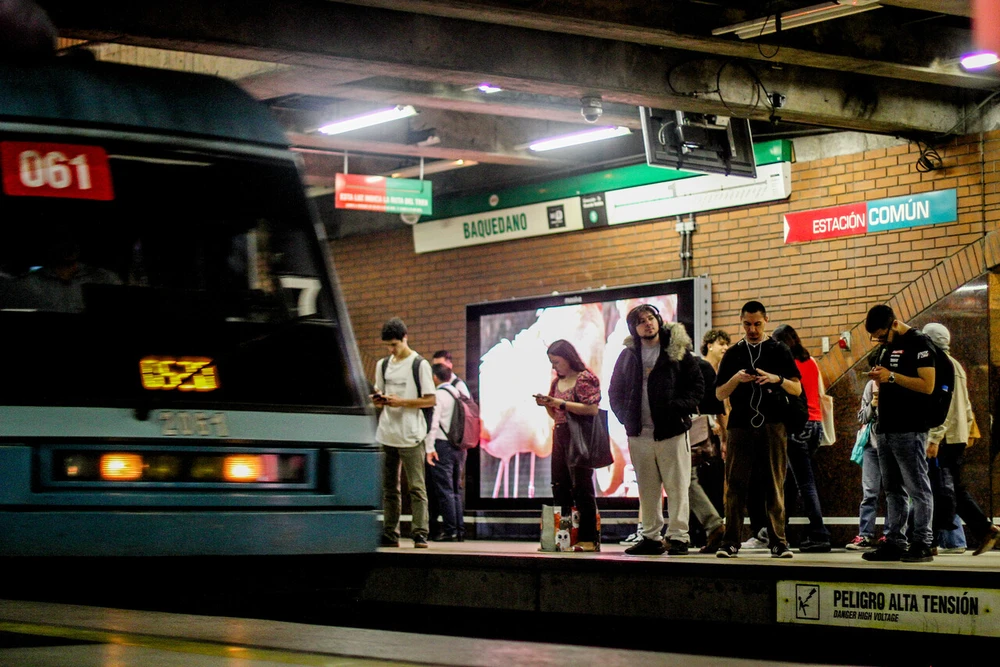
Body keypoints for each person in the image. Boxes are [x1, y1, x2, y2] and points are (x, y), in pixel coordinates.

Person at [608, 305, 704, 556]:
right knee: (647, 490)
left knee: (677, 487)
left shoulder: (676, 351)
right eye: (641, 321)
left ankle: (678, 538)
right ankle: (650, 537)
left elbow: (696, 386)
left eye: (651, 318)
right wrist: (626, 418)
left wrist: (677, 408)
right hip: (639, 435)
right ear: (634, 328)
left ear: (659, 320)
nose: (648, 324)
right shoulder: (628, 356)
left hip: (671, 431)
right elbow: (615, 391)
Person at [715, 301, 801, 559]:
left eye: (757, 324)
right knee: (735, 485)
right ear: (741, 323)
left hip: (773, 424)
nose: (752, 329)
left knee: (774, 483)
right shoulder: (732, 353)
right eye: (747, 324)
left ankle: (778, 541)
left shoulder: (778, 349)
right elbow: (719, 393)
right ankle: (730, 542)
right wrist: (736, 379)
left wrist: (776, 379)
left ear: (766, 321)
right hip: (740, 425)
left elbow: (797, 389)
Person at [861, 305, 935, 563]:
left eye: (882, 335)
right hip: (886, 426)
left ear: (894, 324)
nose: (880, 341)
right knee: (892, 489)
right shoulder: (886, 347)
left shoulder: (919, 342)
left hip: (910, 426)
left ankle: (923, 541)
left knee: (917, 487)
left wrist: (891, 376)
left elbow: (928, 385)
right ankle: (894, 541)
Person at [922, 323, 1000, 556]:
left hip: (943, 437)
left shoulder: (938, 365)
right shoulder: (956, 365)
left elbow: (942, 406)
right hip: (956, 436)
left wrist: (934, 438)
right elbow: (965, 405)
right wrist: (966, 431)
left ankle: (929, 540)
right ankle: (983, 529)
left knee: (936, 489)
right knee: (951, 488)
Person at [372, 317, 436, 548]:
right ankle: (390, 533)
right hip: (387, 432)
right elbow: (380, 396)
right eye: (388, 346)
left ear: (405, 338)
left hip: (411, 433)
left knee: (416, 487)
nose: (391, 350)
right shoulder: (383, 365)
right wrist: (379, 401)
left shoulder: (419, 364)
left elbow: (430, 400)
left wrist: (402, 402)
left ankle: (420, 533)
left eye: (395, 345)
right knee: (390, 488)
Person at [534, 339, 602, 552]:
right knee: (559, 485)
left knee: (582, 487)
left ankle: (588, 538)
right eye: (552, 363)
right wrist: (547, 404)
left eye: (557, 362)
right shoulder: (556, 382)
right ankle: (564, 536)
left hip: (579, 435)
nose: (554, 367)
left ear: (568, 358)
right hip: (561, 434)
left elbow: (591, 409)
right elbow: (556, 415)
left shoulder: (584, 378)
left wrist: (560, 403)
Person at [771, 324, 831, 553]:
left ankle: (819, 533)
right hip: (815, 426)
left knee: (805, 482)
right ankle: (779, 528)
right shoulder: (811, 362)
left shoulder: (788, 366)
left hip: (797, 426)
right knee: (793, 480)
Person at [690, 328, 729, 554]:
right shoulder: (703, 367)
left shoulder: (711, 370)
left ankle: (710, 527)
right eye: (720, 343)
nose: (724, 348)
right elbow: (717, 407)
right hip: (702, 433)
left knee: (692, 481)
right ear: (709, 345)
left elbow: (720, 407)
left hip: (705, 435)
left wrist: (723, 436)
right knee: (693, 481)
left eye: (726, 344)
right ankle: (709, 527)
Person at [846, 352, 885, 552]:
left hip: (891, 446)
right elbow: (862, 417)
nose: (875, 372)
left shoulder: (898, 383)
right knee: (869, 492)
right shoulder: (871, 387)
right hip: (871, 445)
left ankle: (891, 534)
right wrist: (873, 404)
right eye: (873, 368)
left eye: (879, 367)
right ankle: (865, 535)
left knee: (896, 493)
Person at [425, 363, 466, 542]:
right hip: (459, 446)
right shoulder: (458, 394)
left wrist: (429, 447)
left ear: (435, 377)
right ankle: (459, 530)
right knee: (455, 490)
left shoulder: (439, 395)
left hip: (442, 445)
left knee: (444, 490)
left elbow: (434, 423)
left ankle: (450, 531)